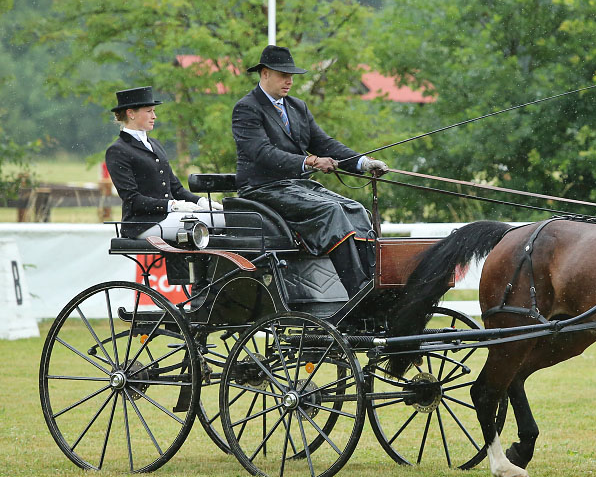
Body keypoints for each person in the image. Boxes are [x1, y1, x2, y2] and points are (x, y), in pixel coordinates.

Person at [232, 45, 388, 297]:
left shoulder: (297, 107)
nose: (289, 81)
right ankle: (358, 291)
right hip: (262, 189)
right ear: (264, 74)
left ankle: (374, 283)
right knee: (331, 211)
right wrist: (311, 162)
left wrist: (362, 163)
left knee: (357, 210)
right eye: (283, 75)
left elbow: (324, 143)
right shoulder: (247, 108)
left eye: (291, 75)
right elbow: (261, 152)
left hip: (298, 188)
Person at [105, 86, 223, 240]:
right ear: (131, 113)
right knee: (199, 224)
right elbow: (132, 199)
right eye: (149, 111)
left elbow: (176, 189)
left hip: (168, 217)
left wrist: (201, 202)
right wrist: (172, 205)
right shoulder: (118, 150)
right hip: (142, 223)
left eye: (153, 111)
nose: (154, 116)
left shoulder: (155, 145)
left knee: (225, 219)